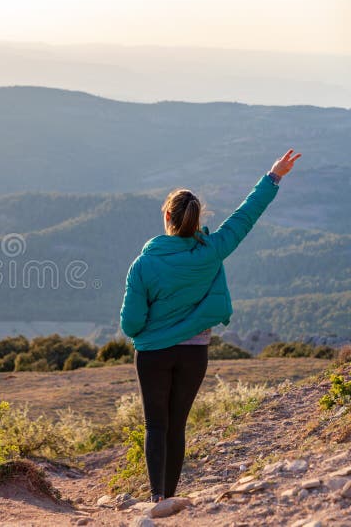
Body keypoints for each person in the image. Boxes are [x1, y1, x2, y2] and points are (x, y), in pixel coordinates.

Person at [119, 149, 302, 503]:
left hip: (153, 355)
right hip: (194, 354)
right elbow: (244, 217)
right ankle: (169, 498)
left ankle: (158, 498)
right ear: (194, 218)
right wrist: (274, 176)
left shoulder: (142, 265)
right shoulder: (212, 250)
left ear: (167, 217)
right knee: (177, 425)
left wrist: (148, 333)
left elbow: (131, 323)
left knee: (156, 425)